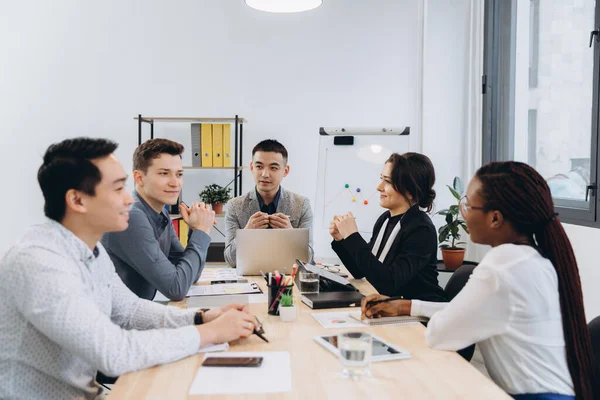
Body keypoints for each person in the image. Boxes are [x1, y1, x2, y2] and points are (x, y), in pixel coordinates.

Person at [0, 138, 258, 399]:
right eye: (118, 189)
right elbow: (113, 352)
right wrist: (209, 332)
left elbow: (129, 311)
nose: (128, 199)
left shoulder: (91, 251)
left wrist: (202, 317)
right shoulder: (38, 262)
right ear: (77, 200)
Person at [361, 161, 597, 399]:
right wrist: (409, 306)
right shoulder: (531, 259)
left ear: (495, 219)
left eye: (469, 205)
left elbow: (439, 334)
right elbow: (474, 309)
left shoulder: (500, 266)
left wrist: (414, 308)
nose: (463, 213)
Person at [102, 138, 213, 301]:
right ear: (139, 178)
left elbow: (189, 276)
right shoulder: (131, 216)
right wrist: (201, 231)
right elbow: (176, 289)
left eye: (179, 174)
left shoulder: (160, 213)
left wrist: (196, 230)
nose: (175, 183)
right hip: (119, 322)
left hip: (137, 314)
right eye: (164, 173)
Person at [329, 152, 446, 302]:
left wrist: (353, 237)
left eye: (388, 181)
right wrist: (342, 240)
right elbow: (361, 271)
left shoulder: (421, 229)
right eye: (381, 179)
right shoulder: (385, 219)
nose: (379, 187)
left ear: (410, 191)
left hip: (417, 316)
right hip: (391, 306)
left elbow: (389, 284)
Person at [224, 139, 313, 266]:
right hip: (249, 278)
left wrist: (291, 234)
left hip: (287, 278)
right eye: (259, 166)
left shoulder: (301, 205)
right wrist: (247, 233)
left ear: (285, 171)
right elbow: (230, 260)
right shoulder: (235, 206)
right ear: (251, 167)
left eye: (273, 168)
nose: (265, 174)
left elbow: (308, 259)